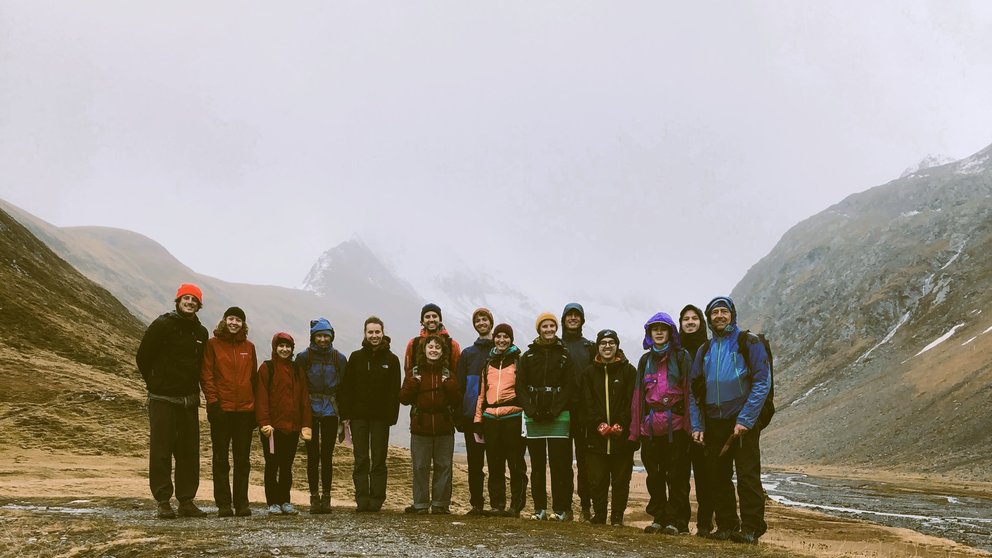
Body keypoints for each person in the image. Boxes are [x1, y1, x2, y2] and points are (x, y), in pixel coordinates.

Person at [689, 297, 771, 544]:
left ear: (732, 315)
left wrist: (746, 418)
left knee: (747, 475)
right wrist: (697, 424)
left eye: (724, 311)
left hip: (743, 420)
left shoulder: (749, 342)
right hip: (714, 421)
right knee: (717, 475)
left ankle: (751, 528)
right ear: (709, 318)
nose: (719, 316)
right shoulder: (704, 350)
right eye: (715, 312)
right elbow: (694, 391)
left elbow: (762, 382)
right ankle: (726, 525)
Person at [135, 283, 210, 519]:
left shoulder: (201, 333)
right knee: (161, 450)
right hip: (162, 399)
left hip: (188, 401)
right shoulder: (162, 325)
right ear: (177, 301)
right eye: (185, 298)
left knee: (189, 452)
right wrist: (156, 381)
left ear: (199, 305)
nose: (189, 302)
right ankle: (163, 501)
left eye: (194, 300)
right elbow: (143, 357)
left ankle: (186, 500)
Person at [632, 312, 693, 535]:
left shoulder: (682, 356)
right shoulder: (644, 361)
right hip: (650, 429)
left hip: (676, 428)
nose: (658, 332)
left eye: (663, 328)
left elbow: (689, 393)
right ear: (649, 333)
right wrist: (635, 430)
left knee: (677, 476)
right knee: (655, 476)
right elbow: (638, 397)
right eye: (654, 329)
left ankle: (678, 522)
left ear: (670, 332)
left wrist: (690, 426)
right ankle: (659, 517)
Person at [517, 312, 576, 522]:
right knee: (538, 465)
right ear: (538, 329)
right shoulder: (528, 356)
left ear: (556, 328)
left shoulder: (565, 355)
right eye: (545, 326)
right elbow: (520, 386)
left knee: (560, 464)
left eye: (552, 326)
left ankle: (561, 509)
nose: (549, 330)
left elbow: (570, 385)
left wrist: (556, 409)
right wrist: (530, 409)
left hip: (559, 416)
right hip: (534, 416)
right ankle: (539, 508)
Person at [339, 316, 402, 513]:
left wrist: (392, 417)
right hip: (358, 417)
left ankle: (377, 499)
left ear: (383, 333)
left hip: (381, 418)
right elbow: (347, 387)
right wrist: (346, 414)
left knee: (379, 459)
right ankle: (362, 499)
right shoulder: (356, 357)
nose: (374, 336)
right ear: (365, 334)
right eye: (370, 332)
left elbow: (394, 391)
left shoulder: (392, 360)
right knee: (361, 459)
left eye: (377, 332)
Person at [200, 306, 258, 517]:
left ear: (243, 324)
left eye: (238, 320)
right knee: (221, 459)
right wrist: (213, 404)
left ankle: (242, 503)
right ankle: (224, 504)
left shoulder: (249, 347)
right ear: (225, 320)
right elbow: (207, 375)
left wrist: (254, 410)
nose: (234, 323)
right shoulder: (212, 345)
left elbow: (253, 379)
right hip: (221, 410)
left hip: (244, 411)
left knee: (243, 460)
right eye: (231, 319)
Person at [399, 334, 462, 514]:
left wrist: (449, 385)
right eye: (430, 347)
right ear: (424, 350)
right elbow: (403, 398)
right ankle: (420, 504)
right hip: (420, 428)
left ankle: (440, 504)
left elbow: (458, 400)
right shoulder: (415, 373)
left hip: (444, 427)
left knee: (444, 466)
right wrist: (412, 383)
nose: (433, 350)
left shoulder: (448, 374)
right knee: (420, 466)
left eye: (437, 347)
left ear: (443, 352)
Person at [578, 329, 636, 526]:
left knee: (621, 481)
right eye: (603, 342)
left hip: (622, 438)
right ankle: (600, 515)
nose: (607, 346)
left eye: (612, 342)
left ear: (617, 345)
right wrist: (598, 424)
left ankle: (617, 517)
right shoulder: (588, 373)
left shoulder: (629, 371)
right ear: (598, 346)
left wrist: (621, 423)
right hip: (596, 437)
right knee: (597, 480)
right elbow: (586, 403)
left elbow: (631, 402)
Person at [473, 323, 528, 518]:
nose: (502, 340)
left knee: (515, 463)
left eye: (506, 337)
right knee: (494, 463)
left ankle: (515, 505)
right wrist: (478, 420)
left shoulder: (519, 362)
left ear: (511, 339)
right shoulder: (488, 363)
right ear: (494, 338)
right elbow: (481, 394)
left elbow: (524, 390)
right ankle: (497, 505)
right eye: (498, 337)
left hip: (513, 416)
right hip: (490, 418)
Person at [256, 332, 313, 516]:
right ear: (275, 347)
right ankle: (272, 502)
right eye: (281, 346)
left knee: (287, 466)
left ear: (292, 349)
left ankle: (285, 501)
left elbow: (304, 398)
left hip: (292, 428)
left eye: (288, 346)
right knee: (272, 465)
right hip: (272, 429)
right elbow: (261, 397)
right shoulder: (267, 368)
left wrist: (306, 424)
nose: (284, 349)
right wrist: (264, 422)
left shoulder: (297, 370)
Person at [297, 318, 348, 514]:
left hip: (330, 412)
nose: (323, 339)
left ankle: (326, 498)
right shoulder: (304, 358)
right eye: (319, 336)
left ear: (331, 336)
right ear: (313, 337)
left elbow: (344, 388)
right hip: (309, 411)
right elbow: (298, 386)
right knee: (312, 456)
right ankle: (314, 498)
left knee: (326, 456)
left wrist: (344, 416)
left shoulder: (339, 359)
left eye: (326, 336)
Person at [455, 307, 495, 515]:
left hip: (497, 416)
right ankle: (476, 504)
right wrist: (460, 415)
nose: (481, 323)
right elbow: (460, 386)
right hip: (472, 416)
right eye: (478, 320)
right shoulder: (468, 354)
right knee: (475, 463)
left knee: (496, 462)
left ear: (491, 323)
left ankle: (498, 504)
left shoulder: (501, 350)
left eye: (484, 319)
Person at [679, 304, 713, 536]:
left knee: (705, 475)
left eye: (694, 318)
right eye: (685, 319)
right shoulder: (675, 351)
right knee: (679, 474)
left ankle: (704, 524)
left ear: (701, 322)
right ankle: (680, 523)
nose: (690, 322)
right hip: (680, 422)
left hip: (706, 420)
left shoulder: (711, 348)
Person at [560, 303, 596, 520]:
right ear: (564, 319)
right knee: (563, 461)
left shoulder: (589, 347)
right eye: (569, 315)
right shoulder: (556, 345)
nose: (573, 318)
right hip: (562, 411)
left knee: (585, 462)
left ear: (582, 320)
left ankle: (585, 506)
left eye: (577, 316)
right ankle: (565, 507)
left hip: (584, 412)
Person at [404, 303, 461, 375]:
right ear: (422, 321)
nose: (431, 319)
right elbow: (408, 371)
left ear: (440, 320)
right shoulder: (413, 344)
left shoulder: (452, 345)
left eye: (434, 316)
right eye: (427, 317)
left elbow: (457, 373)